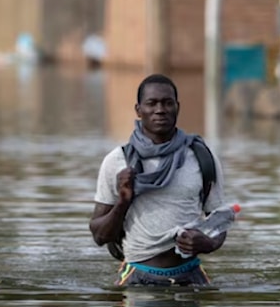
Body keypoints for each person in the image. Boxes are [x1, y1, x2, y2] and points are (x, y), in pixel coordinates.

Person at [90, 74, 230, 287]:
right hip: (138, 278)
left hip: (191, 276)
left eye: (167, 103)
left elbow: (220, 220)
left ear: (177, 107)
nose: (160, 110)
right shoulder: (117, 161)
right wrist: (123, 201)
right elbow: (99, 236)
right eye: (151, 103)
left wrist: (207, 243)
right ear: (138, 110)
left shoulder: (202, 157)